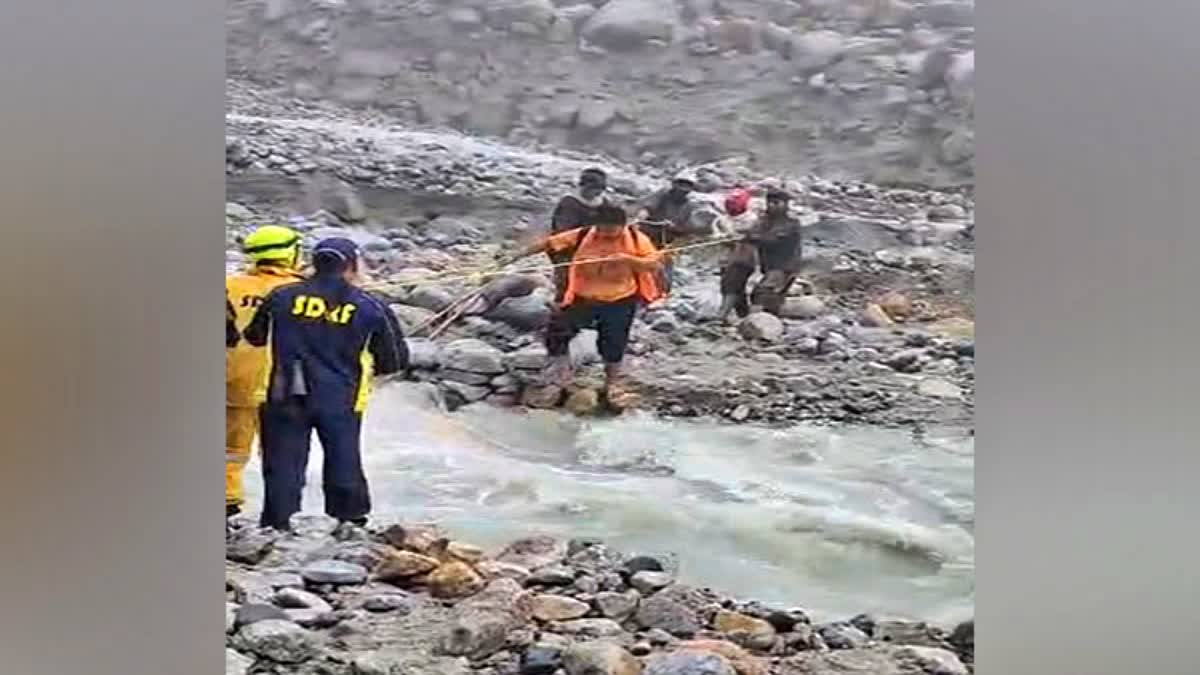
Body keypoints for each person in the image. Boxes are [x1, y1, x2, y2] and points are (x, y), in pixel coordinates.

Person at [243, 237, 409, 532]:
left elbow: (255, 336)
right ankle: (349, 522)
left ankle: (277, 524)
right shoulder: (371, 306)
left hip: (283, 391)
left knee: (282, 463)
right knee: (343, 457)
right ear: (351, 265)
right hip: (341, 396)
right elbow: (394, 360)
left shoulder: (281, 296)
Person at [502, 204, 662, 406]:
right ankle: (557, 375)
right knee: (558, 330)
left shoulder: (637, 239)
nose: (606, 235)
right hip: (582, 297)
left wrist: (628, 260)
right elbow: (550, 244)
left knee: (614, 343)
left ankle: (611, 384)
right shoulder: (584, 235)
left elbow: (654, 265)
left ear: (623, 226)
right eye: (602, 230)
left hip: (619, 299)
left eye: (611, 231)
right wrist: (518, 254)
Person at [224, 225, 307, 519]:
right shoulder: (303, 292)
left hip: (235, 381)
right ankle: (280, 514)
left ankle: (227, 501)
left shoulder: (229, 284)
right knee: (282, 452)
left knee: (231, 451)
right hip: (284, 384)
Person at [547, 167, 613, 302]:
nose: (597, 192)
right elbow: (563, 231)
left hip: (593, 252)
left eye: (600, 189)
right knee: (566, 283)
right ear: (584, 186)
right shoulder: (569, 203)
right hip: (567, 251)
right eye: (594, 189)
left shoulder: (604, 203)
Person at [634, 170, 701, 294]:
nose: (683, 188)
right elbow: (647, 208)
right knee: (641, 267)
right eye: (680, 184)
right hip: (646, 238)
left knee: (665, 277)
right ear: (674, 184)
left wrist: (673, 227)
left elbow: (688, 229)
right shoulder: (662, 195)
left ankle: (660, 294)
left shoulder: (690, 206)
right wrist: (639, 219)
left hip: (666, 244)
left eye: (687, 186)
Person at [744, 187, 804, 316]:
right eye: (770, 202)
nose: (772, 206)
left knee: (761, 292)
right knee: (773, 300)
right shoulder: (764, 222)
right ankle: (771, 325)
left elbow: (772, 240)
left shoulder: (791, 224)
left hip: (784, 267)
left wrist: (753, 238)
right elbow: (753, 233)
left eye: (776, 203)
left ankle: (753, 321)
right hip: (770, 266)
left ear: (786, 205)